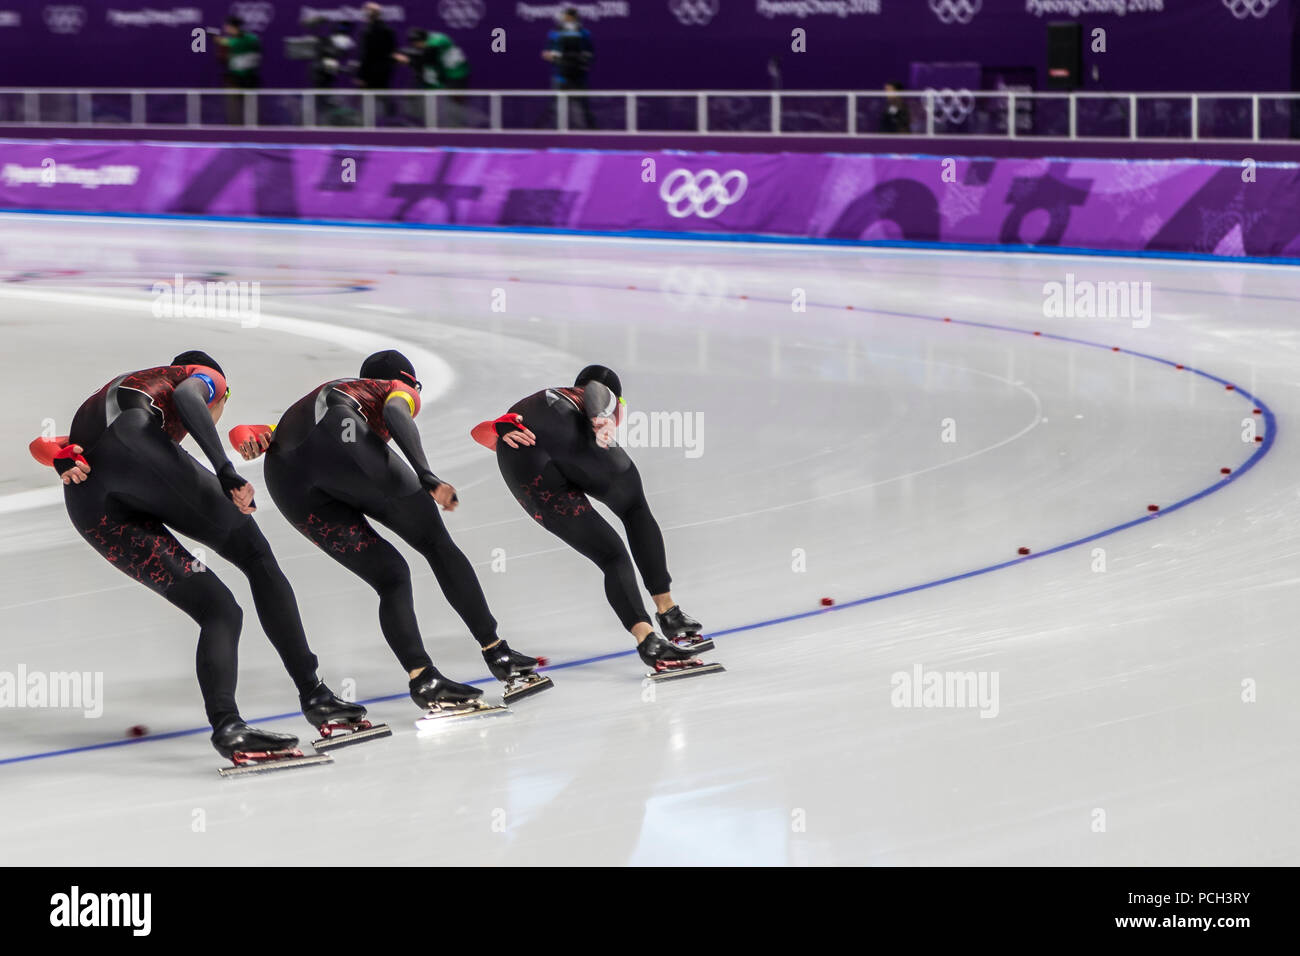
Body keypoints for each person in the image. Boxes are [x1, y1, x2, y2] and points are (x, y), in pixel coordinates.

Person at [28, 352, 364, 767]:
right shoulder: (200, 377)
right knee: (258, 558)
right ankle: (315, 695)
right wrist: (224, 468)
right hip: (140, 453)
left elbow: (45, 445)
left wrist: (56, 457)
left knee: (219, 609)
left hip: (87, 502)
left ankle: (229, 727)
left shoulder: (124, 397)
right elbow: (190, 396)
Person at [228, 350, 551, 710]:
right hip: (347, 448)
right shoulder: (396, 388)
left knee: (391, 576)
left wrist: (248, 439)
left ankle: (423, 677)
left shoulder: (334, 395)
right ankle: (497, 653)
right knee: (437, 544)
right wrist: (426, 474)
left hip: (286, 478)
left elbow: (246, 433)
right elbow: (397, 412)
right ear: (407, 380)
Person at [471, 366, 720, 680]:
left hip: (518, 459)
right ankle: (668, 612)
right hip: (570, 436)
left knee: (611, 555)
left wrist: (499, 428)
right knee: (634, 508)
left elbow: (478, 433)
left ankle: (648, 641)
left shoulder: (530, 408)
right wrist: (602, 413)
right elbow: (597, 389)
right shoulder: (591, 398)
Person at [542, 7, 595, 130]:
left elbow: (590, 54)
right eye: (565, 16)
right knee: (557, 107)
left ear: (575, 17)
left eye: (569, 17)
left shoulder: (584, 33)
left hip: (578, 77)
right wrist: (557, 57)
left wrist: (580, 59)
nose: (567, 19)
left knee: (581, 108)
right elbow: (546, 53)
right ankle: (555, 135)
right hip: (560, 75)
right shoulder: (555, 33)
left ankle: (585, 136)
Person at [215, 15, 261, 125]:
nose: (226, 29)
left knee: (251, 108)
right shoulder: (232, 41)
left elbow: (232, 43)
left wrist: (221, 42)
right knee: (234, 109)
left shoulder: (249, 39)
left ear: (233, 27)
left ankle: (253, 130)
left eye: (228, 26)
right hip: (234, 80)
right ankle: (234, 131)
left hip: (249, 79)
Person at [357, 2, 396, 90]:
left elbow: (366, 55)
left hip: (369, 75)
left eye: (365, 11)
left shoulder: (368, 32)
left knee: (368, 101)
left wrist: (361, 75)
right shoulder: (388, 30)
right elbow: (392, 52)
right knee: (380, 98)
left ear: (369, 13)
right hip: (384, 73)